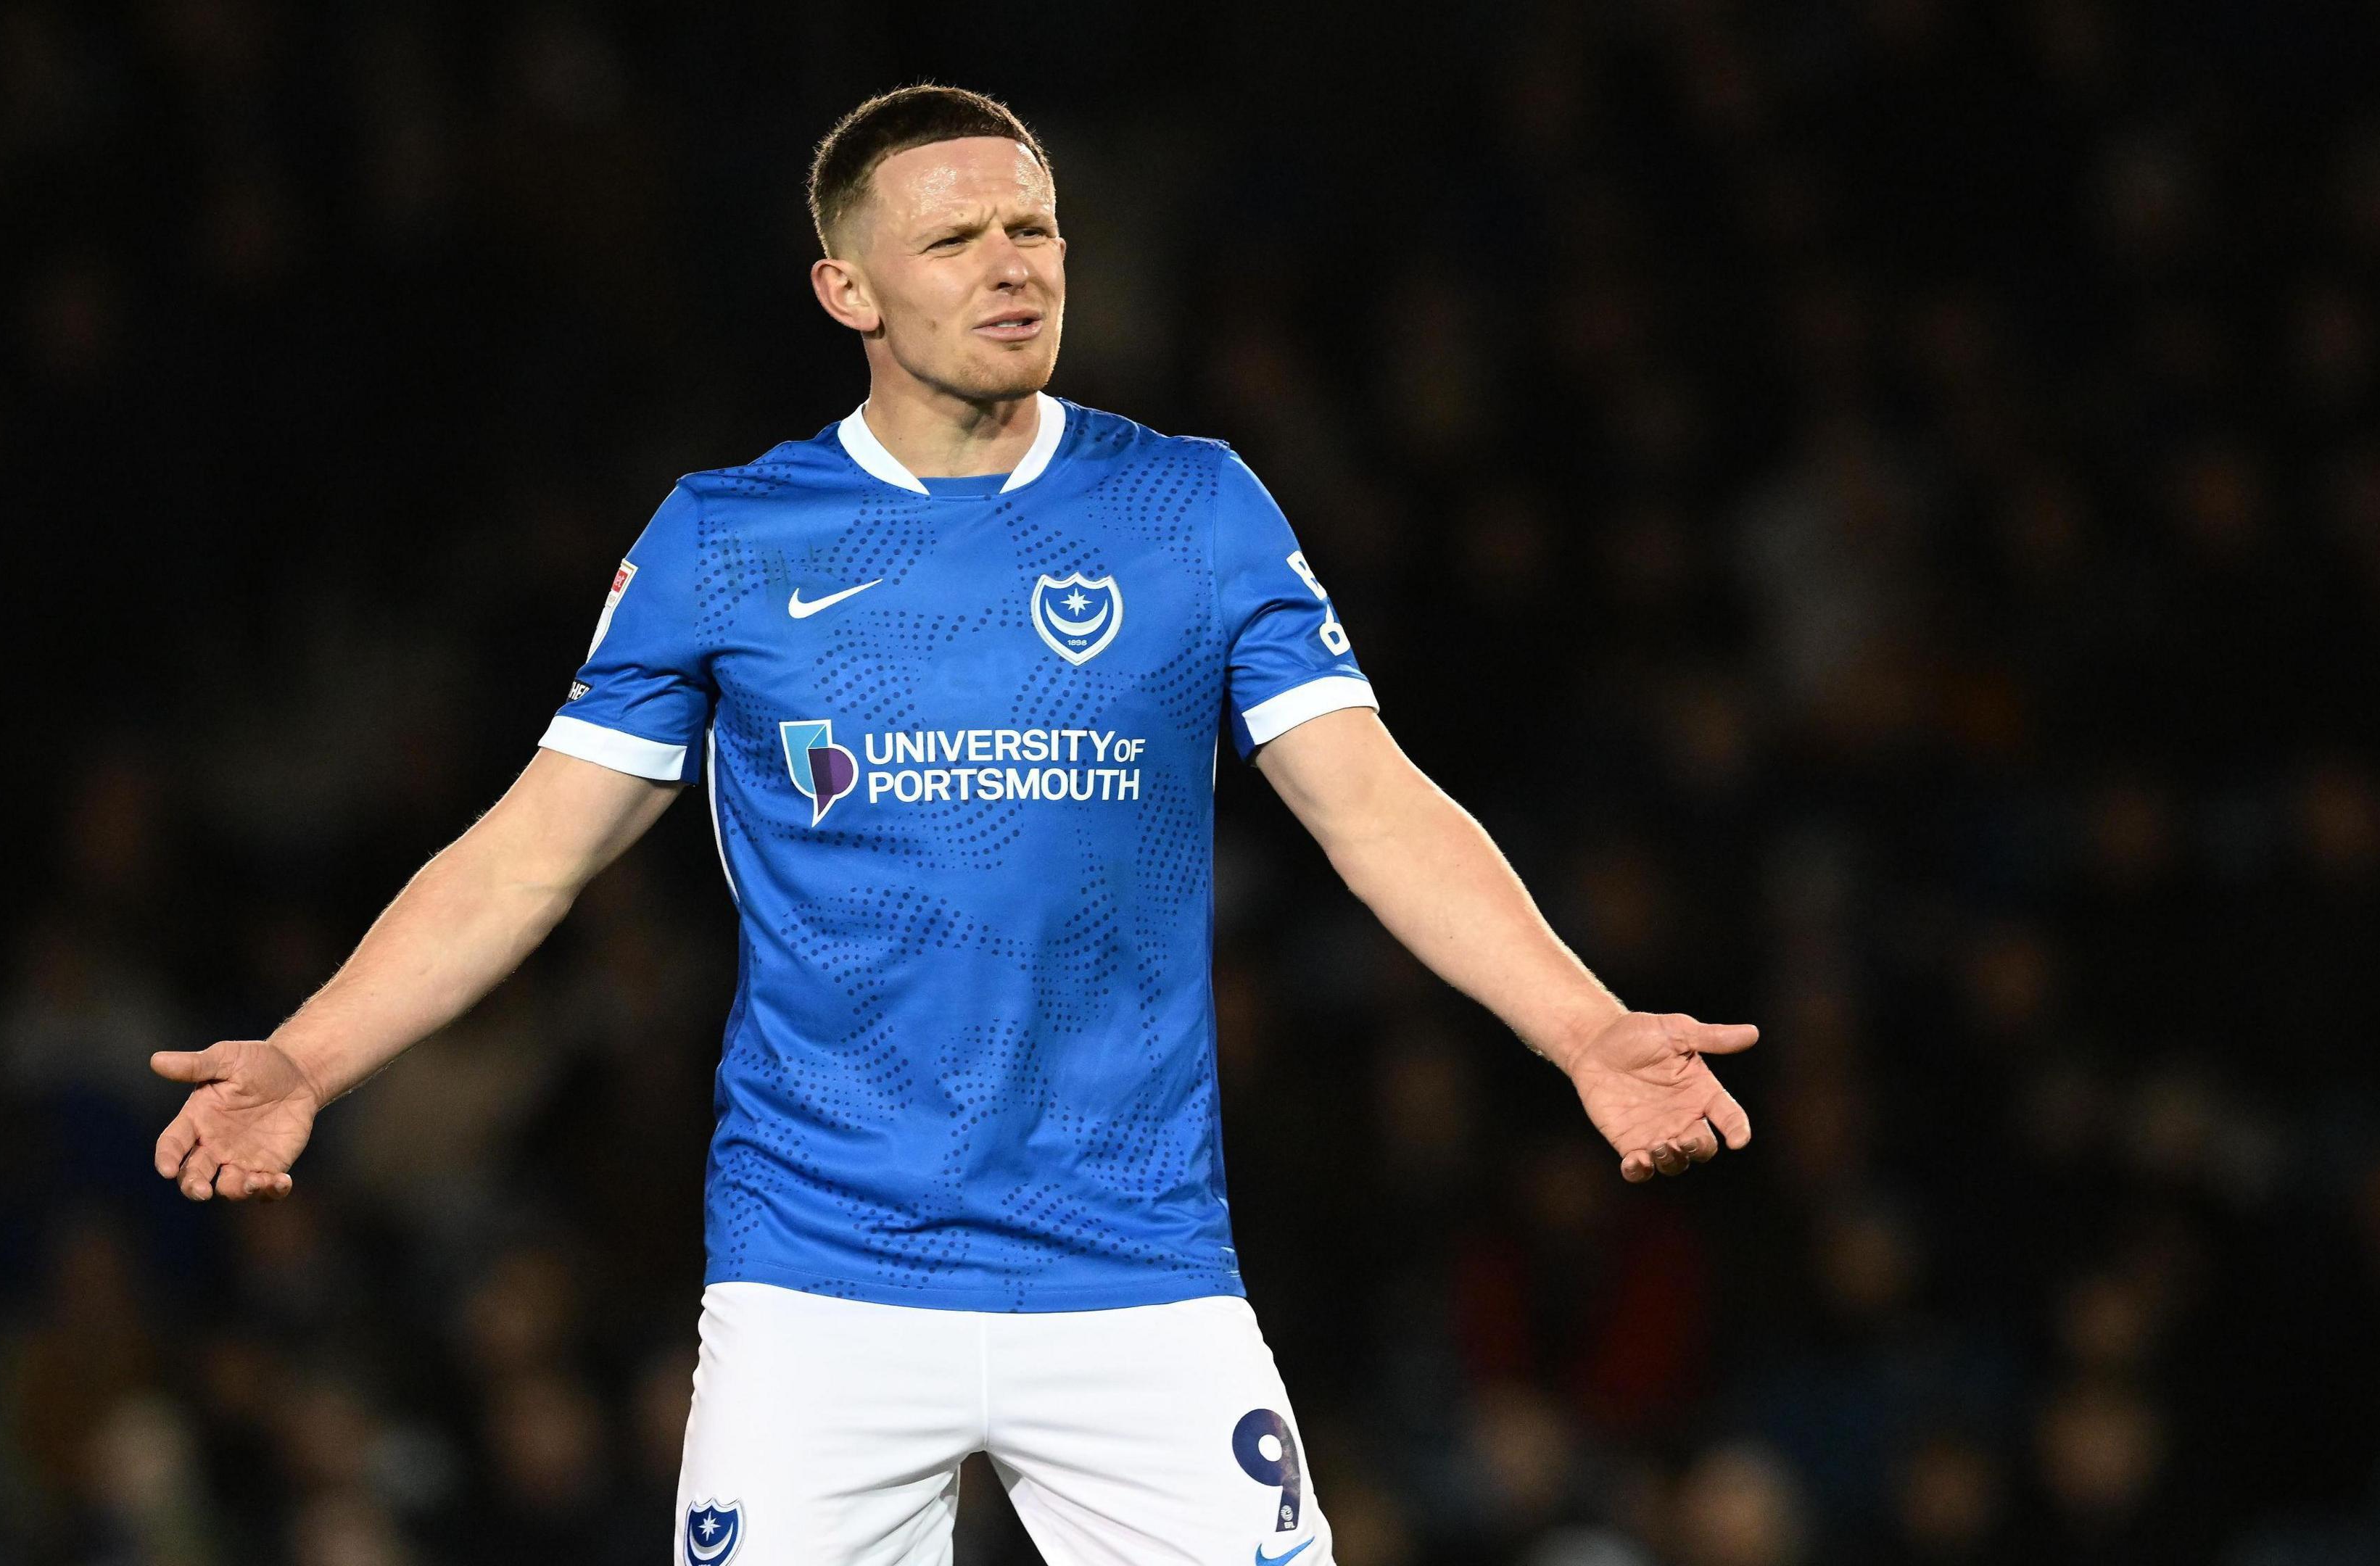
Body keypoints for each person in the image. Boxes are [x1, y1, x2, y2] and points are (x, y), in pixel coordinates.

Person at [149, 84, 1756, 1566]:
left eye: (1034, 227)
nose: (1012, 266)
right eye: (954, 238)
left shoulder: (1191, 509)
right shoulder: (728, 538)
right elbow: (528, 855)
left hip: (1134, 1266)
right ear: (848, 289)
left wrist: (1585, 1026)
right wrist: (308, 1056)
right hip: (819, 1277)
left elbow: (1376, 807)